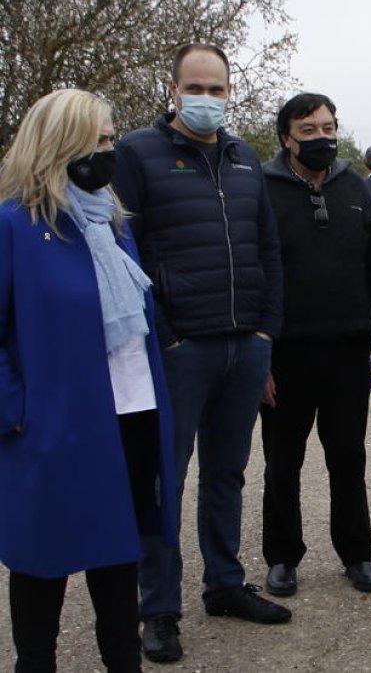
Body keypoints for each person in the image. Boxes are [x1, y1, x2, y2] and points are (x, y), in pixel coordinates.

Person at [112, 43, 289, 664]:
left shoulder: (243, 158)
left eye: (217, 89)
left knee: (227, 472)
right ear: (173, 87)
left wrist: (267, 331)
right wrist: (165, 335)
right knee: (166, 479)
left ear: (229, 92)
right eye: (196, 87)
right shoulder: (136, 153)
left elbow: (268, 249)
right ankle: (159, 609)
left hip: (246, 344)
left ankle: (225, 583)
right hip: (179, 349)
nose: (207, 99)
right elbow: (123, 252)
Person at [0, 88, 177, 673]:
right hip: (53, 425)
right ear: (62, 144)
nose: (111, 151)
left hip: (130, 414)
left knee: (118, 551)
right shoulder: (13, 225)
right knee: (41, 558)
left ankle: (123, 662)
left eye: (111, 137)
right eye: (100, 139)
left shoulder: (112, 221)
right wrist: (16, 411)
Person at [259, 93, 371, 598]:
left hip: (347, 350)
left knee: (348, 457)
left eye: (329, 128)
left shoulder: (354, 188)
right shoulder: (263, 189)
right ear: (286, 138)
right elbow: (253, 276)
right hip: (285, 354)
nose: (322, 138)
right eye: (309, 130)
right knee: (282, 460)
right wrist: (259, 358)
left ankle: (357, 553)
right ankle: (281, 556)